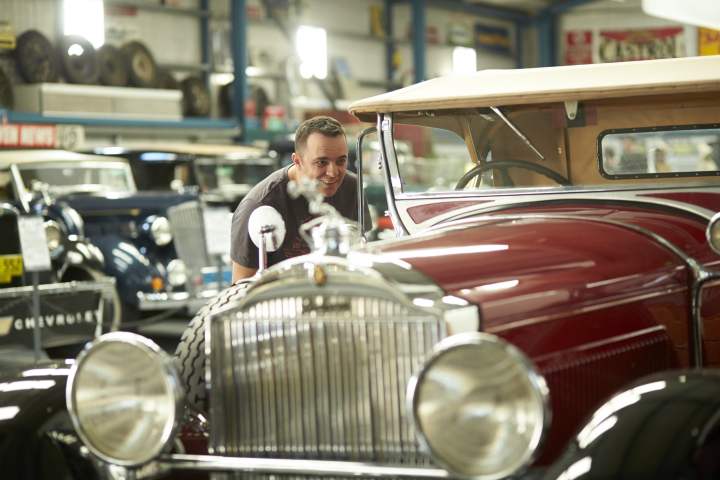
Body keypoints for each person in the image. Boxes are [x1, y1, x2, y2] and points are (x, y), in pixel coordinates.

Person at [230, 116, 365, 282]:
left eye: (341, 161)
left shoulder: (353, 188)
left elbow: (363, 255)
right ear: (297, 161)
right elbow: (241, 288)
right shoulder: (259, 206)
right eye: (321, 162)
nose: (333, 172)